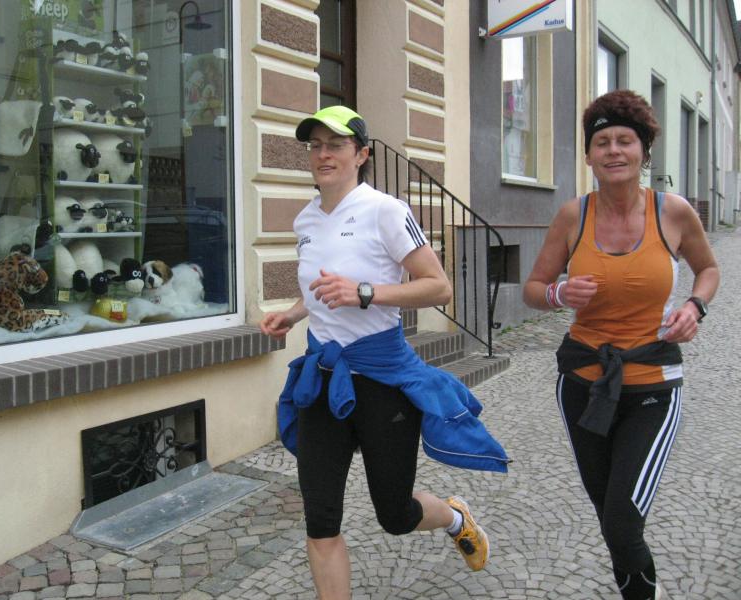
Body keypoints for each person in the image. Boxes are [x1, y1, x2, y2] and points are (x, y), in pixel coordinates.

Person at [259, 105, 509, 599]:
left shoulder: (386, 210)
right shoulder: (306, 218)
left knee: (395, 514)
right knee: (320, 519)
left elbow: (438, 286)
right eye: (315, 146)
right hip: (323, 380)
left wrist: (365, 292)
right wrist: (293, 314)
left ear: (361, 154)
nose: (323, 154)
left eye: (336, 145)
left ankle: (455, 517)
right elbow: (321, 289)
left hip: (382, 381)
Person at [523, 89, 719, 600]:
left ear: (644, 151)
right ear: (589, 156)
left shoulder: (673, 213)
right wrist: (560, 293)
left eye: (625, 140)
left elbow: (708, 269)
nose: (613, 150)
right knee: (610, 518)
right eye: (602, 141)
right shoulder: (573, 216)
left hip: (652, 384)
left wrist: (694, 307)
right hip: (583, 384)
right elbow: (533, 289)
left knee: (622, 520)